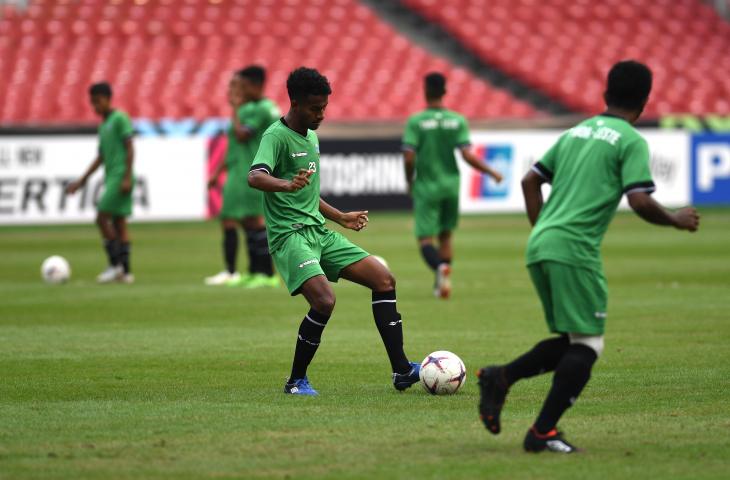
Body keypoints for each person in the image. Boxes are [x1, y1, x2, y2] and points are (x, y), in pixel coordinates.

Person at [477, 60, 700, 453]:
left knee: (569, 339)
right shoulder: (630, 140)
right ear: (645, 101)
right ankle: (542, 432)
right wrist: (676, 220)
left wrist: (543, 231)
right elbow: (639, 199)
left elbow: (531, 180)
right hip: (573, 248)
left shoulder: (575, 132)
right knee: (588, 345)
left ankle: (500, 377)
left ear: (605, 93)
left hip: (541, 243)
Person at [248, 67, 420, 395]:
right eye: (315, 108)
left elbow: (308, 195)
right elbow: (255, 176)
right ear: (295, 104)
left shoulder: (311, 137)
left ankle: (401, 370)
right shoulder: (275, 136)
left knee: (384, 280)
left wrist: (340, 216)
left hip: (319, 232)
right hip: (290, 237)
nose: (322, 114)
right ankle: (296, 381)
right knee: (325, 301)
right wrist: (285, 184)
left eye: (324, 107)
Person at [402, 72, 503, 299]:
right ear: (445, 92)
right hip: (451, 185)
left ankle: (439, 268)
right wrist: (491, 171)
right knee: (446, 235)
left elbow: (409, 157)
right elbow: (467, 154)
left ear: (425, 90)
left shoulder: (417, 122)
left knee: (425, 238)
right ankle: (442, 282)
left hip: (427, 185)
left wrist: (409, 181)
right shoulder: (457, 120)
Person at [205, 66, 281, 288]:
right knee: (240, 220)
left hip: (253, 171)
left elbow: (241, 135)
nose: (238, 91)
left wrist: (235, 108)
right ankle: (252, 271)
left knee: (254, 220)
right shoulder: (249, 109)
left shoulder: (261, 109)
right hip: (238, 171)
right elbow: (233, 146)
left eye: (242, 86)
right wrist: (219, 171)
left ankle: (266, 274)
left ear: (255, 86)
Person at [67, 82, 135, 284]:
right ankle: (126, 272)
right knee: (119, 222)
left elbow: (131, 148)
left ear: (107, 99)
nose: (94, 106)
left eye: (97, 101)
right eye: (92, 102)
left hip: (120, 175)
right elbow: (101, 156)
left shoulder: (120, 119)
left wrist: (127, 177)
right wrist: (82, 180)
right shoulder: (103, 125)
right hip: (112, 176)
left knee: (101, 217)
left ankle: (115, 266)